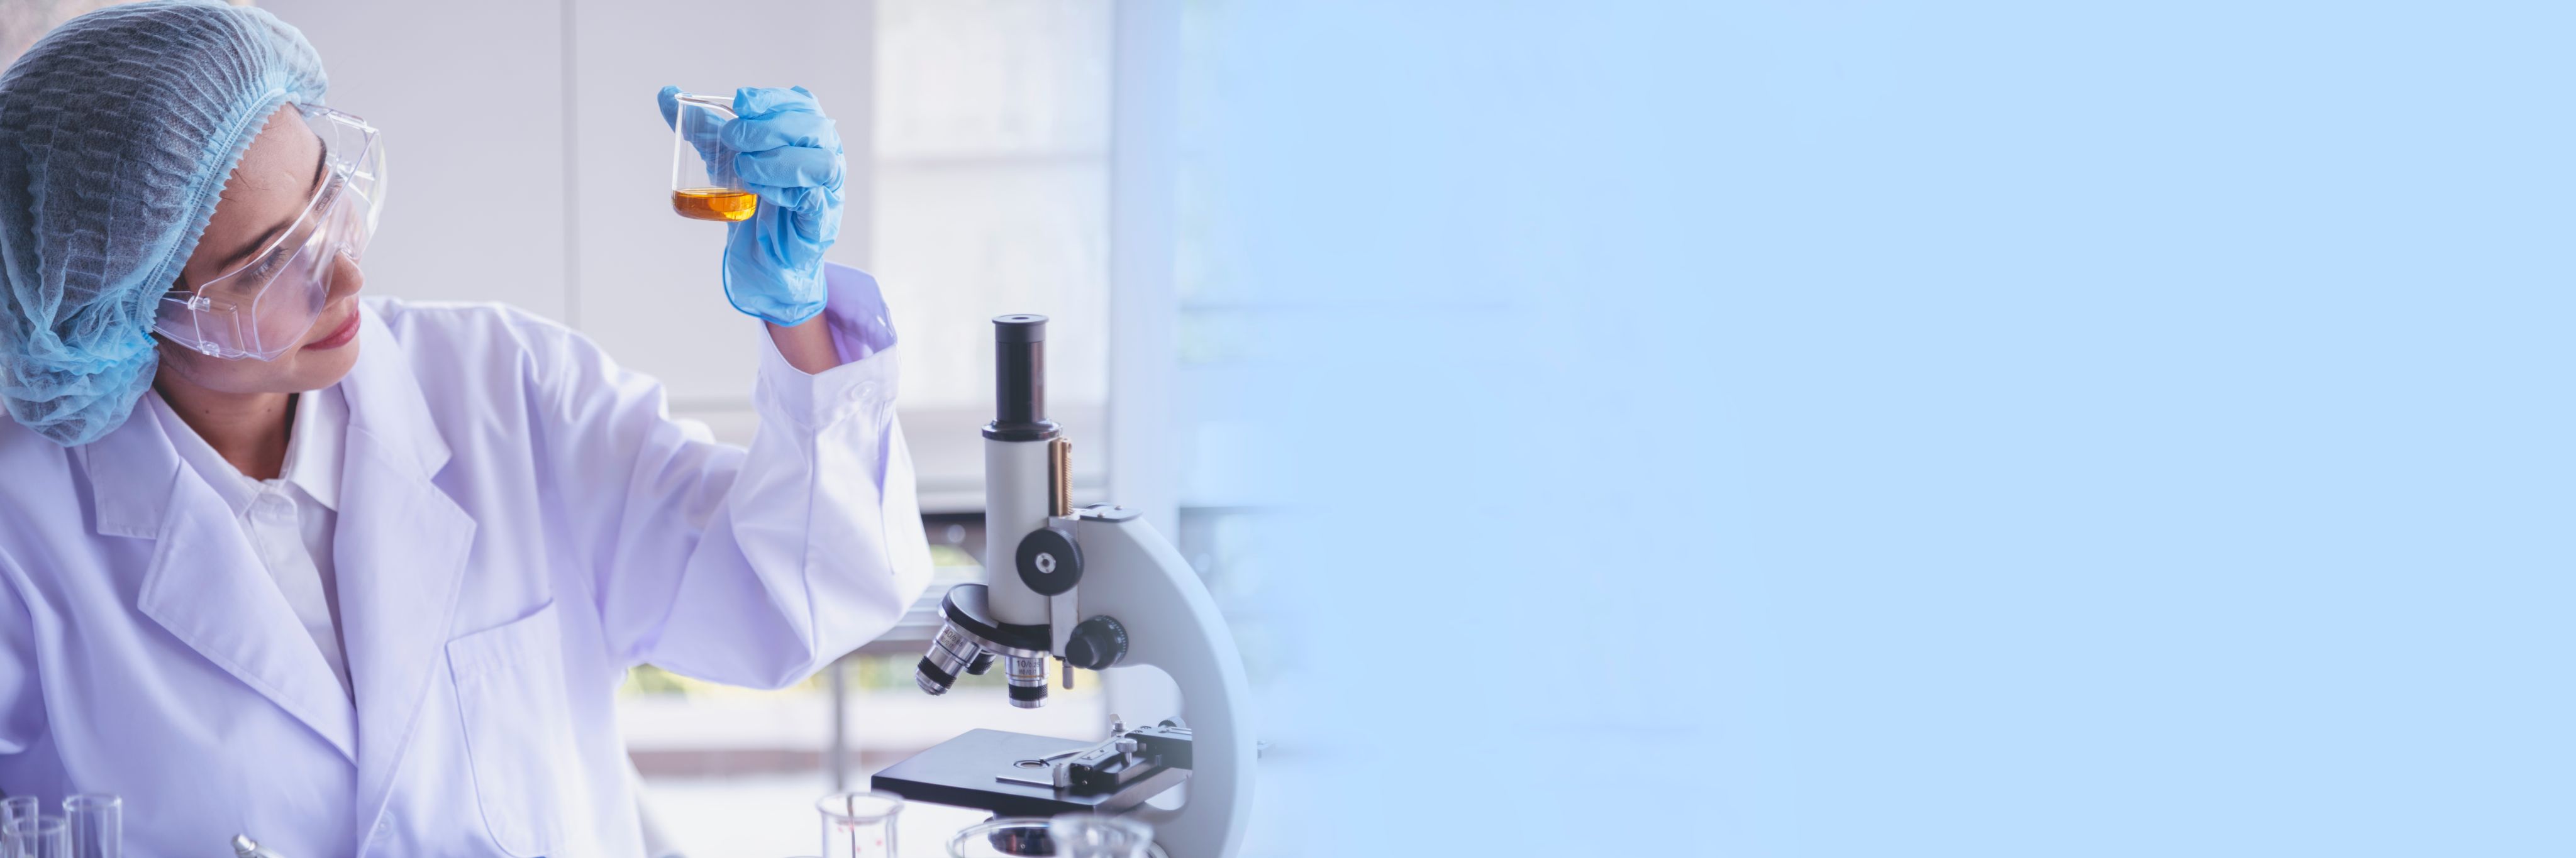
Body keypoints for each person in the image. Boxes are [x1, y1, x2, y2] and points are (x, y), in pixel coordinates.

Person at [0, 3, 932, 855]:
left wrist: (798, 323)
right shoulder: (23, 530)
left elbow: (791, 595)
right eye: (266, 263)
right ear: (119, 312)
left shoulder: (507, 387)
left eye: (328, 192)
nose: (346, 274)